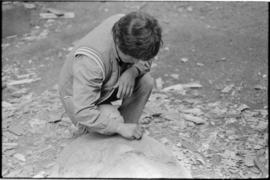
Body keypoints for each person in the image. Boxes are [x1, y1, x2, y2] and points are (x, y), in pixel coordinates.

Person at [58, 11, 162, 140]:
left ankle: (126, 130)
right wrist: (118, 127)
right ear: (119, 45)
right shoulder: (90, 62)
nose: (138, 62)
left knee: (145, 82)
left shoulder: (131, 28)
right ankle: (98, 136)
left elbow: (145, 58)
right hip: (79, 98)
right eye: (134, 59)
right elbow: (83, 111)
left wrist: (132, 71)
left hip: (106, 82)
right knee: (113, 120)